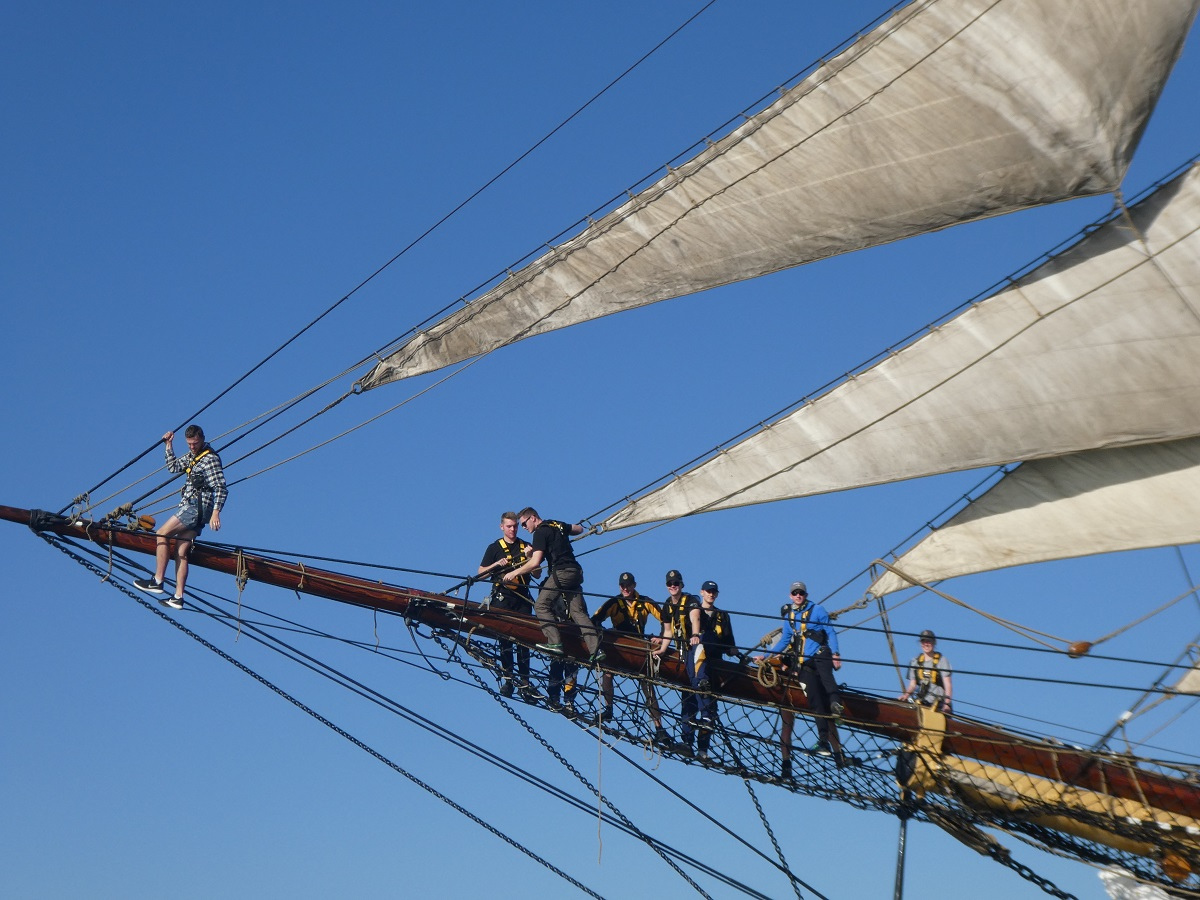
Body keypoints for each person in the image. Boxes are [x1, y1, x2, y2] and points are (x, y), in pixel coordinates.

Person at [134, 425, 227, 610]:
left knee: (161, 533)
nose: (192, 447)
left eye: (195, 443)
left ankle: (157, 580)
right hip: (197, 510)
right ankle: (178, 597)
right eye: (189, 444)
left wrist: (216, 512)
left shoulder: (210, 459)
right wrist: (168, 446)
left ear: (202, 439)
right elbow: (173, 467)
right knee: (180, 551)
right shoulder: (193, 457)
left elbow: (221, 487)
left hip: (196, 507)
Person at [759, 581, 842, 775]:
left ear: (805, 594)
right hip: (797, 673)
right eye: (795, 593)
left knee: (826, 690)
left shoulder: (817, 610)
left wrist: (836, 654)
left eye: (801, 593)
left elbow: (830, 631)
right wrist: (767, 657)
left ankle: (837, 716)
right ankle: (793, 759)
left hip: (816, 658)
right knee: (814, 703)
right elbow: (784, 644)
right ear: (790, 596)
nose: (798, 596)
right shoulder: (788, 622)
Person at [504, 508, 602, 662]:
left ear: (533, 518)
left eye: (524, 523)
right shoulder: (556, 524)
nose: (523, 528)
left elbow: (535, 563)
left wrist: (515, 572)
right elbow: (579, 529)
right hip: (576, 572)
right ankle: (596, 650)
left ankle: (555, 642)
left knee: (541, 606)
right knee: (577, 612)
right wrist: (564, 530)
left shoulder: (540, 533)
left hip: (561, 572)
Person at [590, 572, 672, 744]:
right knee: (607, 672)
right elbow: (595, 620)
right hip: (619, 646)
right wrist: (604, 634)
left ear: (634, 585)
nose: (625, 589)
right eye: (622, 586)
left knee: (647, 685)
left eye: (628, 585)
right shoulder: (614, 603)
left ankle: (659, 728)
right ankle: (609, 708)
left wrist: (662, 637)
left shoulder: (645, 602)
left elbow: (665, 619)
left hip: (639, 647)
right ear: (620, 587)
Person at [478, 511, 540, 701]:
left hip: (522, 598)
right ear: (502, 527)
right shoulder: (494, 547)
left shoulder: (526, 546)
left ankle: (525, 682)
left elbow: (537, 574)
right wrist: (496, 564)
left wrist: (531, 558)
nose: (512, 529)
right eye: (509, 526)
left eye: (514, 526)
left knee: (524, 641)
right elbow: (480, 573)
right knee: (505, 639)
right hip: (502, 596)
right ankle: (508, 679)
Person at [685, 580, 737, 760]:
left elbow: (730, 644)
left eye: (714, 592)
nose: (711, 594)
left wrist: (738, 654)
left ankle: (703, 749)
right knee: (691, 702)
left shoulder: (723, 615)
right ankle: (687, 743)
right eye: (708, 591)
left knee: (709, 710)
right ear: (702, 592)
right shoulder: (694, 611)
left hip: (715, 662)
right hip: (696, 661)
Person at [658, 569, 700, 752]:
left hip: (695, 650)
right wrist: (662, 649)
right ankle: (688, 740)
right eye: (670, 584)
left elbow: (695, 616)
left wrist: (696, 634)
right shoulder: (667, 606)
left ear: (682, 585)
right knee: (687, 696)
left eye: (676, 583)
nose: (673, 586)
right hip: (682, 652)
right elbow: (668, 632)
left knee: (697, 693)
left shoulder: (691, 600)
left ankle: (697, 743)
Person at [899, 629, 953, 713]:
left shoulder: (942, 661)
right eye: (923, 642)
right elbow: (912, 685)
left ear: (934, 643)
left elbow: (948, 685)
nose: (926, 644)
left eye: (929, 641)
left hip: (938, 704)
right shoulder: (915, 662)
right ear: (920, 644)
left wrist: (947, 704)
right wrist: (906, 695)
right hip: (922, 702)